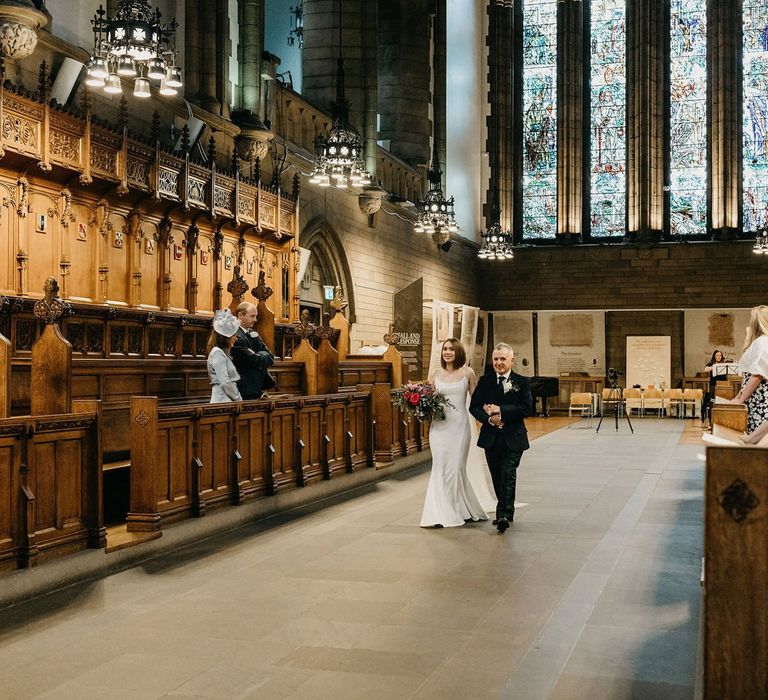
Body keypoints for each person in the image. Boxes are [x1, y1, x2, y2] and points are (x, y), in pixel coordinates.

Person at [419, 338, 488, 528]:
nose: (447, 352)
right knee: (440, 467)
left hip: (459, 428)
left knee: (456, 468)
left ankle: (459, 508)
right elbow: (428, 399)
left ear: (458, 351)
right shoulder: (435, 374)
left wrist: (490, 416)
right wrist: (420, 406)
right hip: (439, 428)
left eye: (451, 349)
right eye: (444, 349)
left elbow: (476, 401)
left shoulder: (468, 373)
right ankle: (440, 511)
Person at [469, 342, 533, 533]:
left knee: (508, 474)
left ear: (511, 361)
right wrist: (489, 420)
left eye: (503, 359)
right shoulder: (486, 381)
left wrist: (501, 410)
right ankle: (506, 510)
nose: (499, 362)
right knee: (497, 476)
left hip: (514, 437)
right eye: (496, 359)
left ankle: (503, 515)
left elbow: (526, 408)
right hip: (491, 437)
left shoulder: (521, 382)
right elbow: (474, 407)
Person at [729, 305, 768, 434]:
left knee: (758, 442)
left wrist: (740, 399)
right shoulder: (761, 341)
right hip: (756, 398)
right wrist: (739, 396)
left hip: (760, 400)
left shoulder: (762, 342)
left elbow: (757, 375)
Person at [231, 301, 276, 400]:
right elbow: (252, 359)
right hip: (245, 389)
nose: (255, 320)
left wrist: (259, 355)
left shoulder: (253, 333)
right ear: (240, 315)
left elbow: (270, 356)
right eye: (252, 316)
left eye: (256, 316)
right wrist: (260, 355)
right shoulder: (235, 335)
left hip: (258, 388)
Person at [206, 309, 242, 403]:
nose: (236, 338)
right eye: (233, 335)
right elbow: (225, 382)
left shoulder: (222, 353)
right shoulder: (217, 353)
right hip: (222, 400)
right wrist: (238, 399)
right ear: (225, 337)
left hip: (227, 399)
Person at [703, 349, 727, 425]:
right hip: (713, 385)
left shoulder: (724, 364)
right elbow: (706, 369)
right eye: (717, 355)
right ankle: (711, 423)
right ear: (714, 356)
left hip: (723, 385)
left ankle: (722, 421)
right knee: (712, 402)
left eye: (720, 355)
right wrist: (714, 367)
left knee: (722, 403)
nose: (719, 357)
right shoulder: (711, 364)